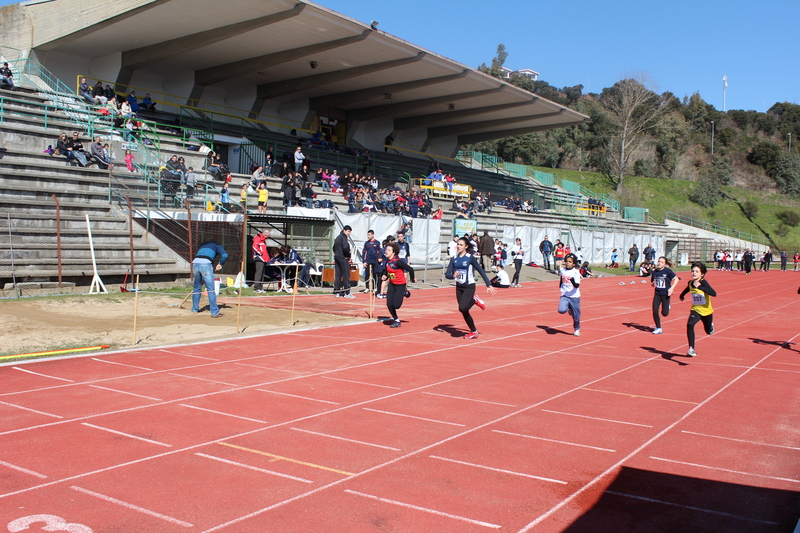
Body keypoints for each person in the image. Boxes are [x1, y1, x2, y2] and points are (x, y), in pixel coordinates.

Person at [445, 236, 496, 339]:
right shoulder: (454, 259)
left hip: (469, 286)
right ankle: (474, 331)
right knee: (463, 310)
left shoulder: (469, 257)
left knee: (462, 307)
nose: (458, 246)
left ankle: (474, 299)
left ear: (466, 246)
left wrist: (488, 284)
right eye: (458, 244)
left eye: (461, 245)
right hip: (459, 286)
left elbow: (480, 270)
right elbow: (447, 274)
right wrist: (453, 275)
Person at [679, 262, 717, 357]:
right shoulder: (691, 282)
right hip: (695, 309)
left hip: (707, 311)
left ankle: (710, 326)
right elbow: (687, 288)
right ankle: (691, 348)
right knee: (690, 324)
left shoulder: (703, 282)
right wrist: (682, 295)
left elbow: (713, 293)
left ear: (702, 274)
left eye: (697, 271)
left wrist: (700, 287)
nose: (694, 273)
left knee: (708, 331)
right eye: (692, 271)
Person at [381, 242, 415, 328]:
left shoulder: (398, 262)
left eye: (389, 250)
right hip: (392, 284)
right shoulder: (387, 262)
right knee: (389, 304)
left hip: (400, 285)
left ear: (394, 252)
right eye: (386, 250)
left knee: (396, 305)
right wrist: (384, 275)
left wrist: (412, 279)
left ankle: (405, 292)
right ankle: (396, 320)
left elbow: (410, 269)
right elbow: (386, 270)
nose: (386, 252)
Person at [191, 240, 228, 318]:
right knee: (210, 289)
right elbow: (225, 255)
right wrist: (220, 263)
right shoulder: (217, 245)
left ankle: (194, 309)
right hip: (206, 264)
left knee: (197, 288)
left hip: (195, 263)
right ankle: (214, 312)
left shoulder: (202, 246)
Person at [650, 256, 678, 335]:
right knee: (655, 310)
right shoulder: (654, 272)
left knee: (665, 313)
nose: (659, 263)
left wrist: (671, 288)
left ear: (665, 264)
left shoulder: (668, 271)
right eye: (659, 261)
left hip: (666, 294)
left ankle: (667, 305)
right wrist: (653, 284)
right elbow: (652, 283)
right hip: (657, 293)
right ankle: (658, 328)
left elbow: (676, 279)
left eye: (662, 262)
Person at [557, 253, 582, 337]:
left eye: (570, 262)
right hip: (565, 294)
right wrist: (560, 286)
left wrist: (572, 280)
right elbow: (561, 278)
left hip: (574, 296)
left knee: (576, 316)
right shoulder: (562, 270)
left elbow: (577, 285)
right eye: (566, 261)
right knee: (561, 310)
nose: (567, 263)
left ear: (574, 264)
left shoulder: (575, 272)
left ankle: (577, 328)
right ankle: (569, 309)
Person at [334, 225, 355, 298]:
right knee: (346, 274)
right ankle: (347, 292)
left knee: (338, 275)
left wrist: (336, 253)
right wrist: (348, 255)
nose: (349, 233)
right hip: (343, 258)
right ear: (344, 230)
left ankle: (337, 291)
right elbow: (345, 247)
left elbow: (333, 247)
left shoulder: (337, 238)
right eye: (348, 231)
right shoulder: (343, 237)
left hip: (337, 257)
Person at [362, 229, 384, 295]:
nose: (368, 236)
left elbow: (379, 252)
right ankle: (367, 287)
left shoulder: (377, 243)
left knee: (375, 274)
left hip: (375, 261)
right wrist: (364, 261)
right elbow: (364, 253)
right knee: (367, 274)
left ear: (373, 235)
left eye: (369, 235)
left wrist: (379, 259)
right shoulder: (366, 243)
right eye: (367, 235)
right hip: (368, 261)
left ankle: (374, 288)